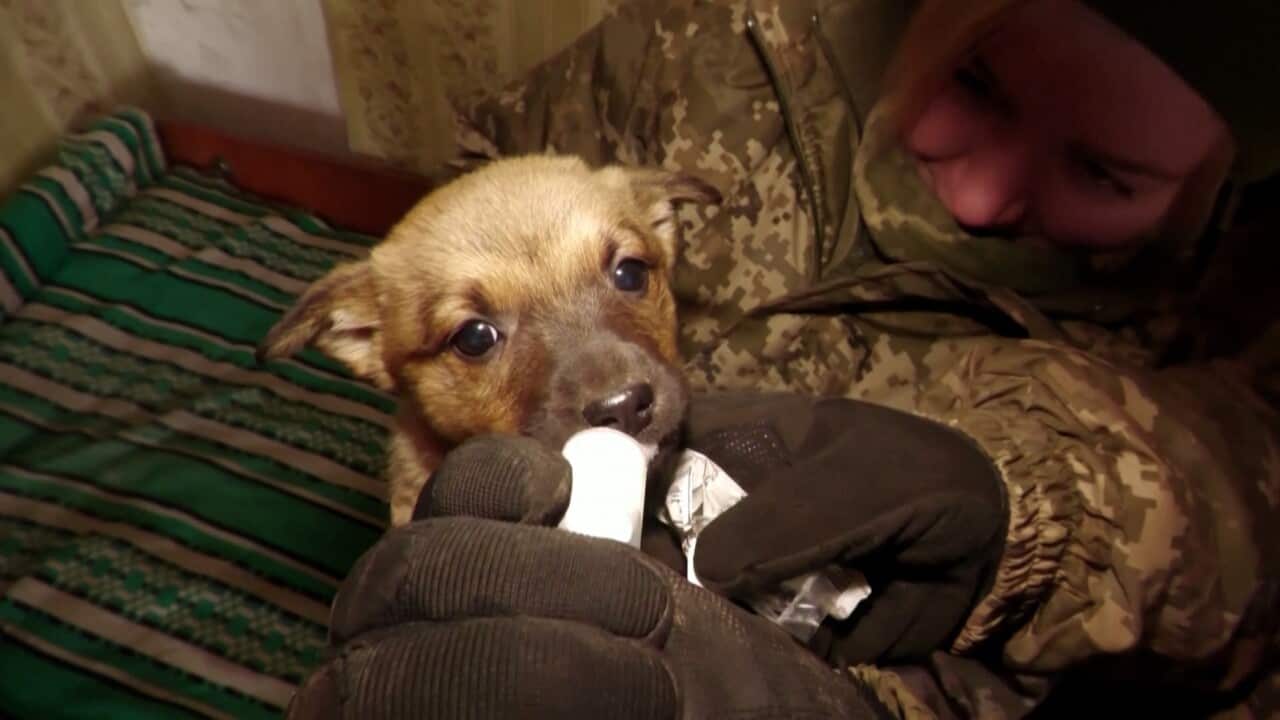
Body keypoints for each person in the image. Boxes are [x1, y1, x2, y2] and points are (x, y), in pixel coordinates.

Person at [286, 0, 1280, 717]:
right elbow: (488, 190)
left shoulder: (1230, 299)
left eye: (1103, 173)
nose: (979, 197)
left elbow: (1244, 472)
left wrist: (1026, 514)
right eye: (973, 83)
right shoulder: (721, 41)